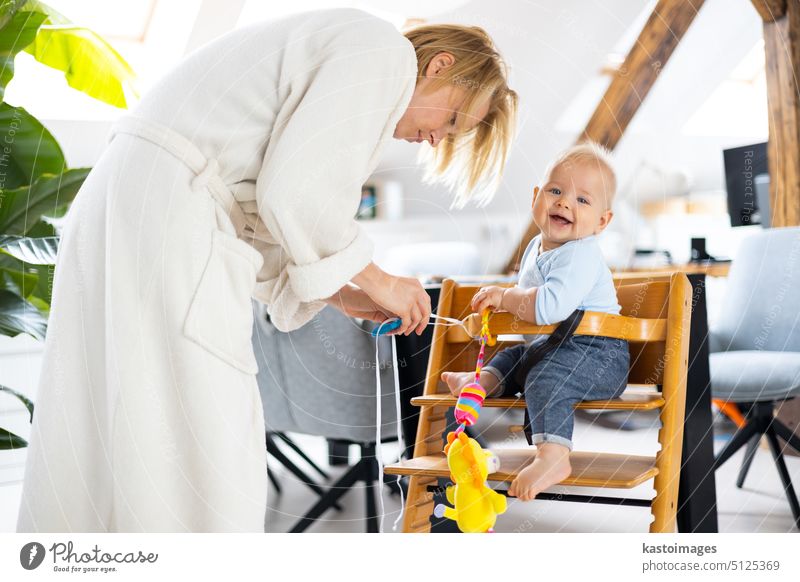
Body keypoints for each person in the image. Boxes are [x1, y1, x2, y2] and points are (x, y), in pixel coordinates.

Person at [17, 8, 517, 532]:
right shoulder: (380, 51)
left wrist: (342, 292)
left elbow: (267, 204)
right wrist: (381, 278)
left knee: (117, 419)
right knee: (207, 431)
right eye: (455, 119)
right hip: (167, 214)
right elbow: (295, 191)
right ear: (437, 66)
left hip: (127, 205)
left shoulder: (342, 54)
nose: (439, 138)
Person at [442, 142, 629, 502]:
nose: (564, 203)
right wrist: (498, 309)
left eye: (583, 200)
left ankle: (554, 456)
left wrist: (507, 296)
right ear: (535, 198)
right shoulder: (535, 249)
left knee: (545, 375)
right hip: (557, 346)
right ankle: (483, 381)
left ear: (602, 222)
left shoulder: (582, 254)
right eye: (555, 191)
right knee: (516, 356)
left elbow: (546, 309)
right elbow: (525, 312)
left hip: (599, 355)